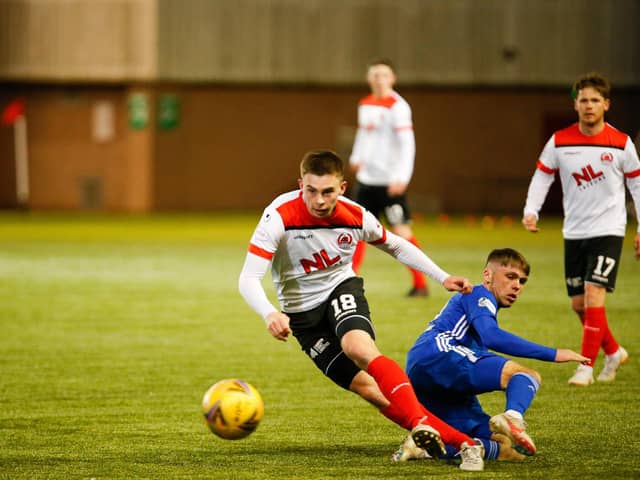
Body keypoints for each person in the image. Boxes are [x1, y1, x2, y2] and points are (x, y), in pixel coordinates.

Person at [238, 149, 485, 471]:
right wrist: (270, 312)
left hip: (340, 289)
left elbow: (395, 244)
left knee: (358, 347)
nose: (319, 200)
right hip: (301, 316)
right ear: (301, 185)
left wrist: (442, 276)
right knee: (367, 388)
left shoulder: (355, 215)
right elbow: (248, 277)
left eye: (328, 191)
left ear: (342, 187)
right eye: (311, 190)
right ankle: (448, 435)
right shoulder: (279, 217)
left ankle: (454, 440)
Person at [392, 248, 588, 463]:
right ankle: (513, 417)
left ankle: (421, 448)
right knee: (525, 375)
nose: (516, 286)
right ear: (487, 275)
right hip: (439, 354)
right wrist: (554, 354)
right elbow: (492, 336)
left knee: (507, 449)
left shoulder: (479, 311)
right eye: (510, 277)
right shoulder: (478, 294)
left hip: (432, 376)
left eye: (522, 281)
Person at [522, 72, 640, 386]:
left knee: (593, 295)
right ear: (575, 105)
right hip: (574, 232)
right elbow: (543, 176)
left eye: (595, 100)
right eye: (583, 100)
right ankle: (613, 351)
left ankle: (585, 366)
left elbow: (637, 185)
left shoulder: (621, 143)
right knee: (578, 304)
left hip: (609, 230)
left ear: (606, 105)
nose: (589, 106)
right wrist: (531, 210)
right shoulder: (560, 140)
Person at [349, 58, 429, 297]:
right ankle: (349, 281)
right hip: (366, 180)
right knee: (356, 230)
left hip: (389, 183)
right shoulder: (365, 104)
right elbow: (364, 135)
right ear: (368, 78)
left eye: (384, 75)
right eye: (375, 75)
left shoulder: (398, 107)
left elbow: (408, 145)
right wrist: (356, 157)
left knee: (401, 232)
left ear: (392, 78)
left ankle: (421, 283)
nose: (379, 79)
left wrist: (402, 177)